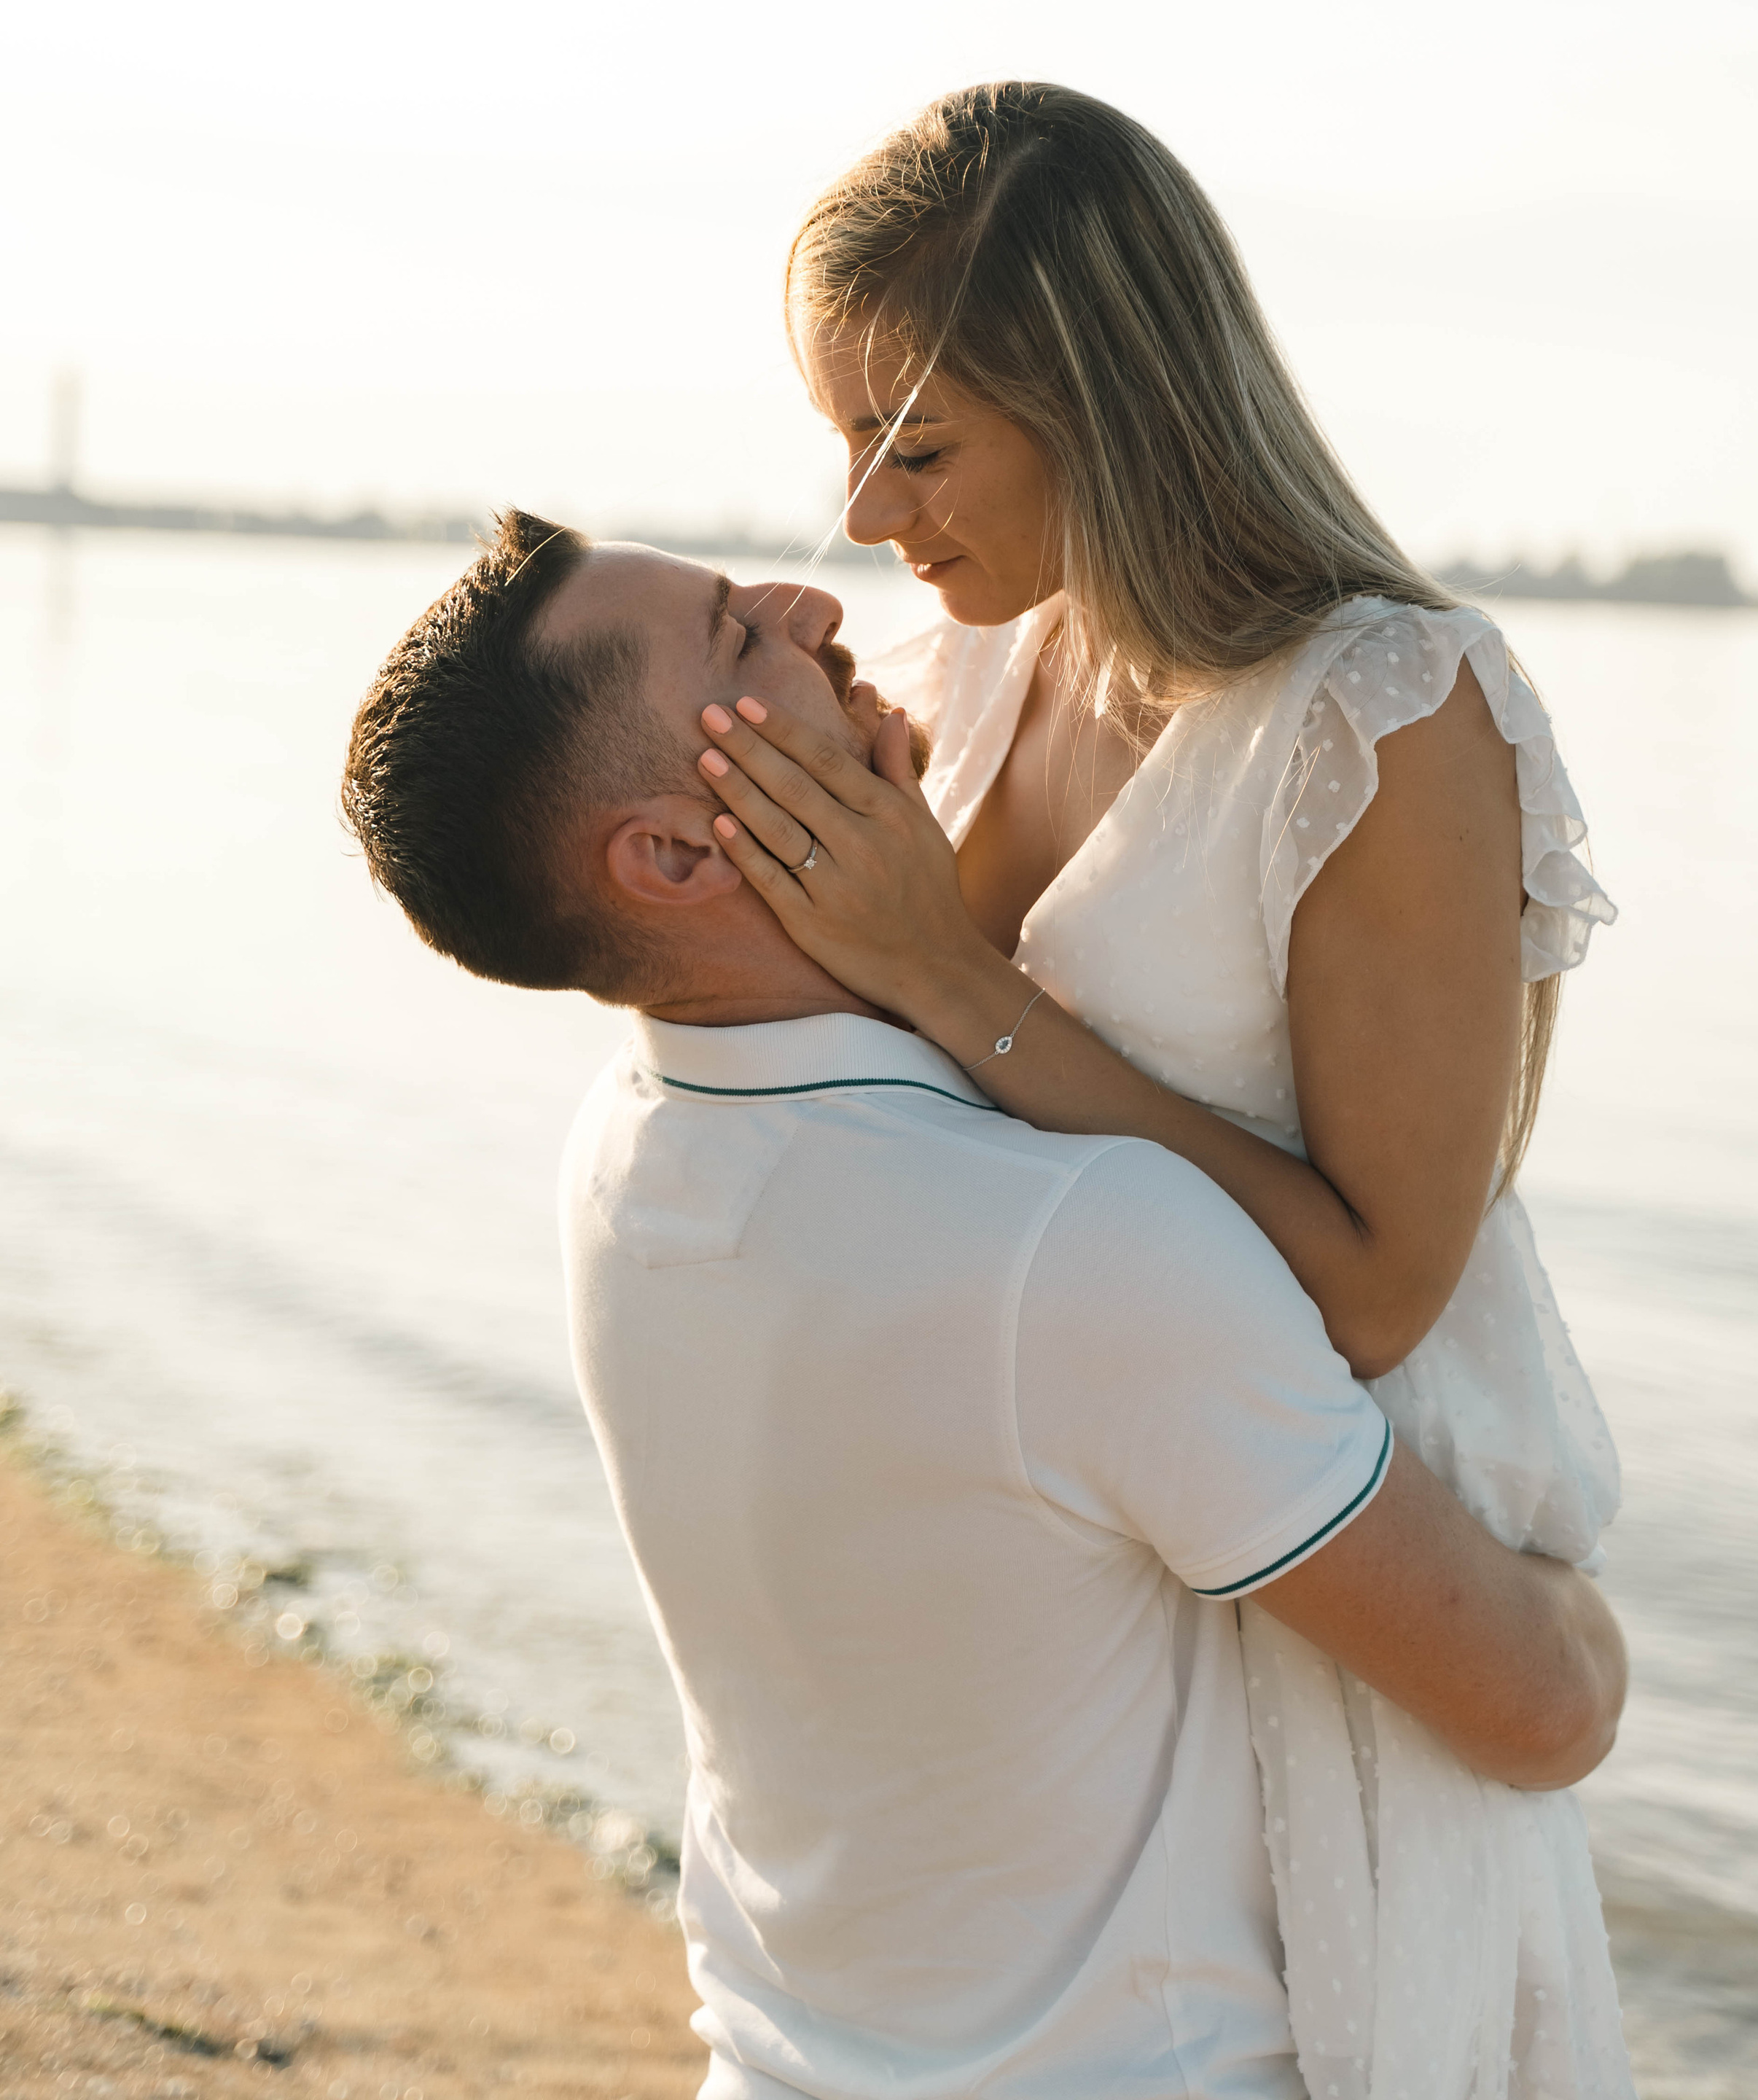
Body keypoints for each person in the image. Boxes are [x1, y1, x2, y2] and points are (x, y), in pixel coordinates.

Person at [340, 511, 1628, 2100]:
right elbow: (1542, 1712)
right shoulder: (1079, 1246)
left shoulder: (622, 1158)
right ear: (673, 853)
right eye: (741, 638)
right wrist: (1568, 1590)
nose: (819, 601)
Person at [683, 80, 1634, 2100]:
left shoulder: (1383, 713)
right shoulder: (981, 674)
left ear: (1103, 404)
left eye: (913, 442)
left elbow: (1380, 1290)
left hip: (1356, 1633)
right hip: (1101, 1619)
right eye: (845, 436)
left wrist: (947, 973)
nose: (863, 511)